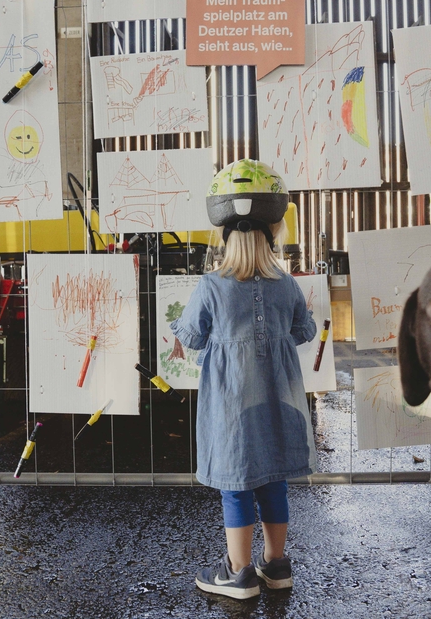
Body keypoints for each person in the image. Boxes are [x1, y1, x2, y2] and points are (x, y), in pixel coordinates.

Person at [170, 159, 317, 600]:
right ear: (272, 234)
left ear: (224, 236)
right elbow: (304, 332)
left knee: (236, 483)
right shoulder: (286, 283)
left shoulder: (212, 286)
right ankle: (276, 565)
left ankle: (238, 573)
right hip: (279, 399)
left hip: (232, 403)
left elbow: (192, 336)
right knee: (273, 479)